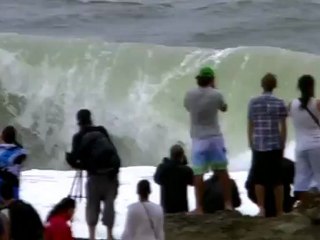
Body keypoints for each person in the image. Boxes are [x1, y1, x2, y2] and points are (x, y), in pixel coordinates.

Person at [184, 66, 232, 214]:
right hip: (215, 137)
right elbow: (224, 108)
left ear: (199, 79)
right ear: (211, 79)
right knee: (222, 171)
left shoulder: (190, 94)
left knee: (198, 173)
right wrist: (214, 89)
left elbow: (188, 108)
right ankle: (228, 204)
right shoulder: (216, 94)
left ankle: (199, 207)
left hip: (198, 138)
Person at [66, 109, 121, 240]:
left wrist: (69, 159)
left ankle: (92, 236)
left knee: (92, 206)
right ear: (91, 119)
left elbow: (76, 160)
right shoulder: (101, 130)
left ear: (78, 121)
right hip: (111, 175)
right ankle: (109, 235)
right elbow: (113, 150)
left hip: (94, 177)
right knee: (109, 206)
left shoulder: (78, 137)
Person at [247, 73, 288, 217]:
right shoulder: (280, 102)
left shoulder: (253, 102)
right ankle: (280, 211)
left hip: (258, 144)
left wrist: (250, 142)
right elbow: (283, 126)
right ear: (275, 85)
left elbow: (251, 124)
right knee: (277, 179)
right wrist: (282, 144)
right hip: (275, 144)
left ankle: (262, 209)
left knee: (259, 179)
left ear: (262, 85)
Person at [289, 75, 320, 208]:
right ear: (312, 86)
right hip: (317, 145)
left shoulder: (291, 104)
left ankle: (306, 205)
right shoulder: (317, 103)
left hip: (300, 147)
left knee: (301, 179)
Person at [154, 144, 193, 213]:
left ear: (171, 155)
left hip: (166, 209)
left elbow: (156, 180)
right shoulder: (185, 170)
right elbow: (193, 182)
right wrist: (184, 164)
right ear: (182, 156)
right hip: (181, 210)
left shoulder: (162, 168)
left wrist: (166, 162)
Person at [0, 126, 27, 200]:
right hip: (14, 188)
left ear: (2, 136)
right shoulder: (20, 151)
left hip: (3, 188)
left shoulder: (2, 152)